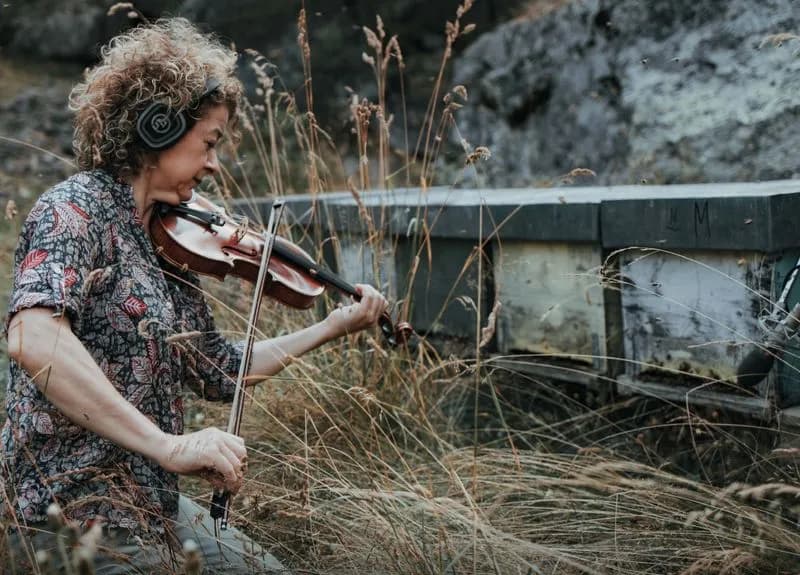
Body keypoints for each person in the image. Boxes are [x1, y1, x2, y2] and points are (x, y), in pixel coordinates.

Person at [1, 17, 388, 574]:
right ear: (158, 129)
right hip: (64, 506)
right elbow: (33, 337)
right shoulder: (73, 209)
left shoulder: (166, 240)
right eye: (208, 142)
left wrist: (333, 326)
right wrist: (169, 446)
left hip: (149, 500)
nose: (213, 163)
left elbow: (219, 370)